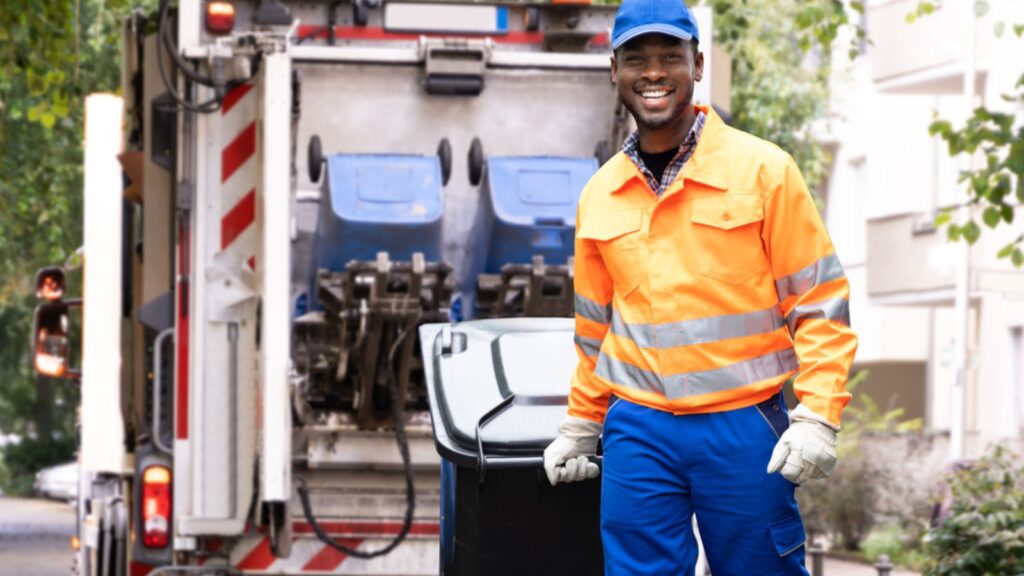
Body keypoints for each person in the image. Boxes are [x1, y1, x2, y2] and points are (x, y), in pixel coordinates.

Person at [542, 0, 859, 574]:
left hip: (742, 426)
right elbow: (596, 331)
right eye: (637, 58)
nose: (654, 72)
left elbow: (820, 305)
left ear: (699, 63)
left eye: (670, 55)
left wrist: (818, 415)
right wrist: (582, 423)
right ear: (615, 70)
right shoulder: (601, 194)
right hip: (637, 429)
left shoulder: (764, 171)